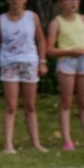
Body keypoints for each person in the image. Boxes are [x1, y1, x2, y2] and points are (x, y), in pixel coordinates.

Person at [0, 0, 49, 154]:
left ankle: (36, 143)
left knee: (30, 105)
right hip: (9, 64)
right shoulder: (1, 21)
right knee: (11, 105)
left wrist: (42, 61)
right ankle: (8, 144)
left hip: (29, 63)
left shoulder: (32, 17)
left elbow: (41, 40)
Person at [46, 0, 84, 151]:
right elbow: (50, 49)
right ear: (60, 3)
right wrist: (69, 51)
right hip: (67, 61)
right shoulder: (56, 23)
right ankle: (67, 139)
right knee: (66, 101)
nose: (73, 3)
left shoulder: (82, 19)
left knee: (83, 101)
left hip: (82, 60)